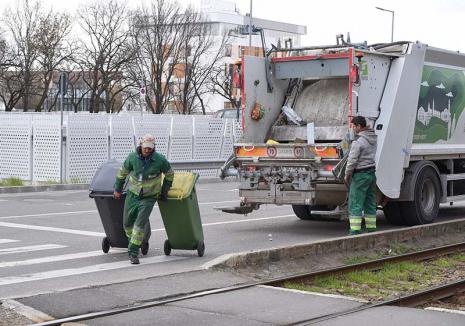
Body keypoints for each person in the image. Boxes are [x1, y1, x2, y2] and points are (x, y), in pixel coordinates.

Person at [114, 134, 174, 264]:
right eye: (145, 147)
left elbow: (169, 174)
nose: (147, 150)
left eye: (150, 147)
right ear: (141, 145)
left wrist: (164, 191)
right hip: (132, 195)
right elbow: (122, 173)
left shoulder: (159, 160)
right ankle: (135, 242)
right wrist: (117, 189)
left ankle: (133, 253)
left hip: (149, 197)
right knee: (127, 224)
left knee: (139, 224)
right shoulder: (132, 158)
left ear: (154, 147)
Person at [344, 116, 377, 235]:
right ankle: (371, 228)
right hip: (371, 174)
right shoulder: (373, 138)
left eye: (354, 126)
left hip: (360, 176)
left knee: (355, 203)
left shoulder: (358, 142)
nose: (353, 128)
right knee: (369, 201)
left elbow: (352, 161)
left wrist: (347, 175)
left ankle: (355, 230)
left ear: (359, 126)